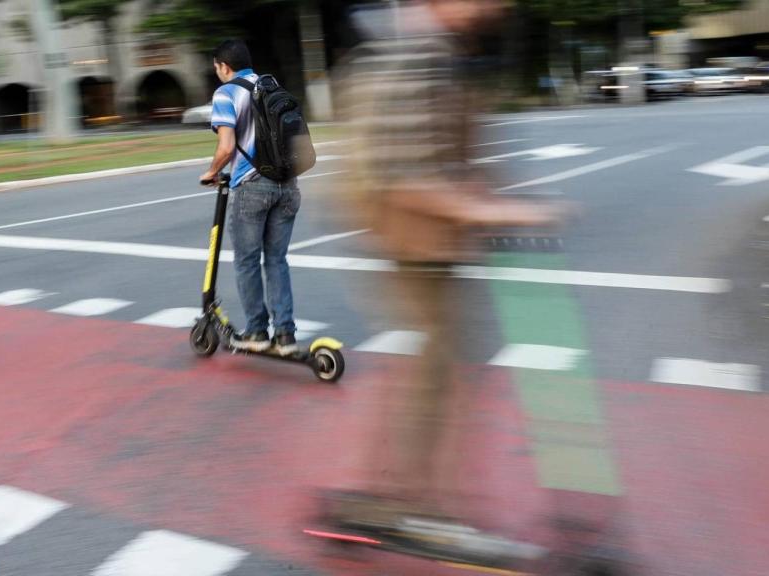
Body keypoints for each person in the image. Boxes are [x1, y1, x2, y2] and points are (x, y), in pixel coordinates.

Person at [329, 0, 559, 532]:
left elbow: (448, 148)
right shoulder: (412, 53)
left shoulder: (441, 48)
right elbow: (403, 174)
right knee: (433, 370)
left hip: (430, 237)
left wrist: (486, 197)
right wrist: (490, 209)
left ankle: (404, 496)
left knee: (438, 367)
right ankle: (404, 503)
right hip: (407, 238)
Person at [200, 39, 301, 356]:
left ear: (223, 66)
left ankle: (257, 330)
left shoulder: (225, 94)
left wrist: (211, 171)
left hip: (252, 186)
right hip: (287, 185)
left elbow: (227, 146)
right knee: (276, 260)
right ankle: (285, 335)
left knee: (246, 261)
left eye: (216, 67)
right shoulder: (270, 85)